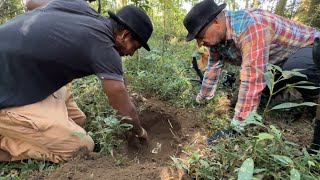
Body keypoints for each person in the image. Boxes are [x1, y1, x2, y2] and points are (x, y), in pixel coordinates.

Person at [0, 0, 153, 162]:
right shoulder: (105, 47)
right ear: (125, 35)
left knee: (79, 121)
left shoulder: (78, 6)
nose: (131, 54)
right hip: (7, 91)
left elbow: (31, 3)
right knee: (82, 147)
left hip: (21, 79)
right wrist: (140, 132)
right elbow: (124, 107)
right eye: (135, 48)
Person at [183, 0, 320, 148]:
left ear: (216, 22)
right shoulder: (218, 38)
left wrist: (236, 128)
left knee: (296, 66)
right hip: (275, 63)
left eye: (200, 35)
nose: (199, 43)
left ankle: (315, 118)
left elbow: (252, 79)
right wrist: (201, 99)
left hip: (310, 49)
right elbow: (213, 68)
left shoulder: (250, 26)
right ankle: (286, 92)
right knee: (239, 104)